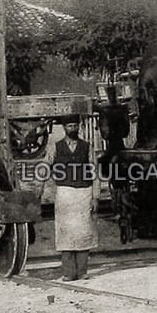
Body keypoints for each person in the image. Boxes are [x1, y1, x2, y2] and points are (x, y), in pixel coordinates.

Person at [45, 115, 98, 281]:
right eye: (69, 126)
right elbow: (46, 166)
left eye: (75, 126)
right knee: (65, 233)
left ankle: (82, 271)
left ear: (79, 127)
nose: (72, 129)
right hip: (65, 193)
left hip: (84, 193)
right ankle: (68, 273)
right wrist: (43, 189)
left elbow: (95, 172)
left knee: (83, 232)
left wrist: (95, 196)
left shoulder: (87, 147)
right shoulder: (55, 146)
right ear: (64, 128)